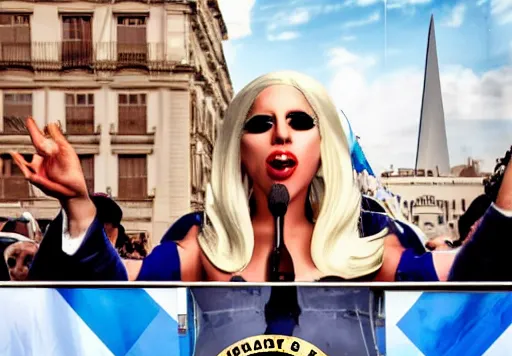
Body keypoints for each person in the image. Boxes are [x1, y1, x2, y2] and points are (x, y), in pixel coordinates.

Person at [11, 71, 511, 282]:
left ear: (324, 146)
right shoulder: (199, 246)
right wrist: (78, 206)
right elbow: (110, 303)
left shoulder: (373, 246)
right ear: (237, 147)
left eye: (299, 121)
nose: (281, 136)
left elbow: (471, 290)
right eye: (260, 123)